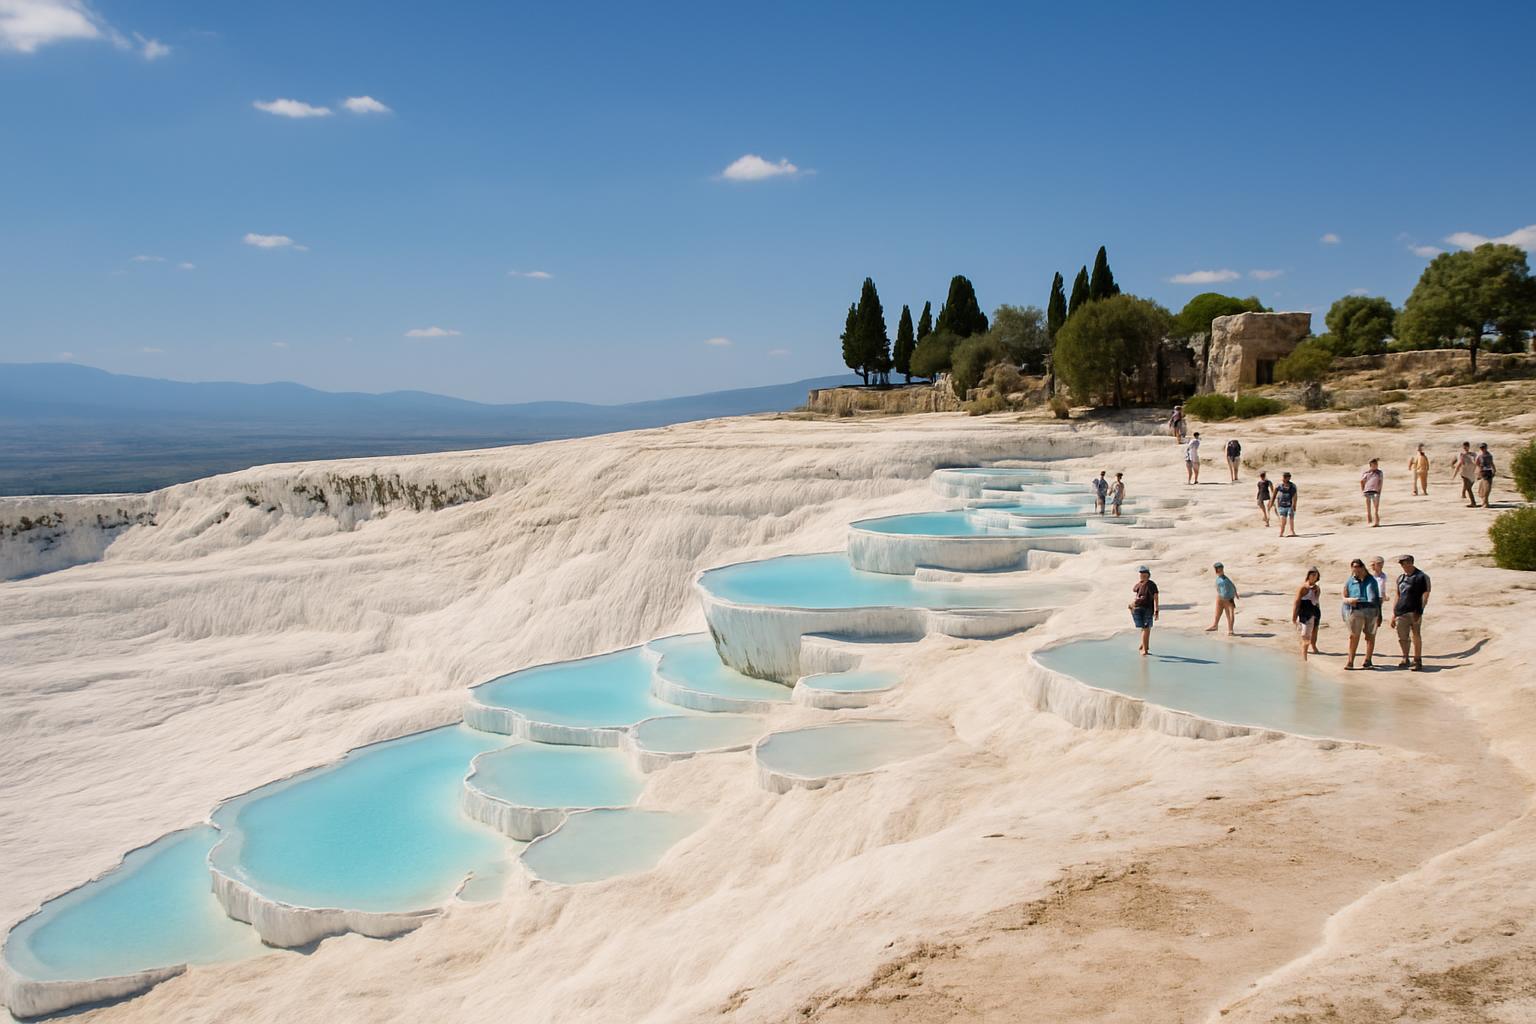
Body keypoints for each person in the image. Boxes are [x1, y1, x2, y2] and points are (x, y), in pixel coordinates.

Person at [1390, 554, 1431, 671]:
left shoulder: (1422, 577)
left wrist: (1420, 610)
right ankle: (1405, 657)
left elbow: (1425, 594)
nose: (1404, 565)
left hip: (1414, 610)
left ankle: (1417, 659)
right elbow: (1398, 595)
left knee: (1416, 635)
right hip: (1401, 611)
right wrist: (1394, 613)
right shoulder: (1401, 578)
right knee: (1402, 636)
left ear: (1411, 562)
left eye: (1406, 563)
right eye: (1402, 564)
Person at [1342, 558, 1381, 670]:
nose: (1356, 570)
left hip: (1371, 610)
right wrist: (1348, 602)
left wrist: (1379, 615)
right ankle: (1350, 661)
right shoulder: (1350, 581)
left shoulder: (1371, 580)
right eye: (1354, 568)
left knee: (1370, 635)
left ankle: (1368, 660)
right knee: (1354, 636)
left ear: (1362, 567)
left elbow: (1376, 598)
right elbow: (1344, 595)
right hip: (1356, 609)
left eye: (1358, 567)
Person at [1293, 567, 1322, 660]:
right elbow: (1297, 602)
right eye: (1312, 575)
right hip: (1304, 611)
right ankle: (1304, 655)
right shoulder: (1303, 588)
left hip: (1314, 610)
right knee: (1304, 633)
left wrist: (1315, 591)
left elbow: (1316, 601)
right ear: (1308, 575)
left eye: (1316, 575)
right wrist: (1294, 616)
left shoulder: (1317, 588)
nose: (1314, 577)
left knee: (1315, 629)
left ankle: (1313, 645)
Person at [1129, 565, 1159, 655]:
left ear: (1148, 575)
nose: (1142, 576)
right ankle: (1144, 647)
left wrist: (1156, 610)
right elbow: (1135, 591)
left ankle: (1144, 647)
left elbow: (1156, 597)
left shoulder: (1151, 584)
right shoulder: (1139, 584)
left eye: (1144, 574)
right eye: (1141, 574)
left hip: (1147, 608)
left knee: (1146, 628)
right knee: (1145, 628)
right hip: (1138, 608)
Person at [1206, 562, 1238, 635]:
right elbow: (1221, 587)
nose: (1217, 571)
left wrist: (1234, 595)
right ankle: (1215, 625)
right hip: (1220, 598)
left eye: (1219, 569)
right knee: (1218, 612)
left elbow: (1232, 586)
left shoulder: (1225, 579)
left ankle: (1230, 630)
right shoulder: (1219, 578)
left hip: (1228, 599)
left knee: (1229, 614)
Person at [1451, 442, 1478, 507]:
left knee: (1469, 486)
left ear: (1468, 447)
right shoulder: (1461, 454)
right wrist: (1454, 474)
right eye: (1464, 447)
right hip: (1464, 473)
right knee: (1468, 487)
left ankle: (1464, 494)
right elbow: (1457, 464)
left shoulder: (1473, 454)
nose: (1465, 448)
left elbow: (1476, 462)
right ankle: (1473, 502)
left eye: (1466, 447)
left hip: (1471, 473)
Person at [1360, 458, 1384, 527]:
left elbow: (1380, 482)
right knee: (1368, 508)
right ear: (1370, 465)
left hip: (1375, 490)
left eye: (1376, 464)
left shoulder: (1379, 472)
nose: (1376, 466)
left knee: (1376, 507)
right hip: (1367, 490)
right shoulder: (1367, 473)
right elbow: (1362, 481)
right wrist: (1363, 490)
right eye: (1374, 464)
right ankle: (1369, 521)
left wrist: (1379, 490)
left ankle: (1376, 522)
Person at [1274, 471, 1299, 537]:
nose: (1283, 478)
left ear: (1288, 478)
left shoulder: (1292, 486)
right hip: (1281, 505)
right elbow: (1274, 495)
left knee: (1291, 518)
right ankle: (1281, 532)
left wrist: (1294, 505)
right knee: (1283, 520)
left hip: (1290, 505)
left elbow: (1295, 496)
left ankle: (1292, 531)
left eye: (1285, 477)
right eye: (1283, 477)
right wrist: (1271, 503)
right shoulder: (1279, 486)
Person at [1368, 555, 1389, 632]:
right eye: (1378, 564)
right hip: (1370, 599)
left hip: (1379, 599)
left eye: (1381, 564)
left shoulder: (1383, 576)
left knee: (1378, 619)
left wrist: (1384, 596)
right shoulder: (1370, 576)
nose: (1380, 566)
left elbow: (1382, 587)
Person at [1475, 443, 1496, 508]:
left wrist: (1494, 470)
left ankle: (1485, 502)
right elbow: (1477, 463)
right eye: (1481, 448)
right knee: (1486, 487)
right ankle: (1485, 502)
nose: (1482, 449)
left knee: (1487, 487)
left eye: (1483, 447)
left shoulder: (1489, 455)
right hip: (1483, 471)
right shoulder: (1480, 455)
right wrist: (1479, 470)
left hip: (1489, 471)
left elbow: (1491, 463)